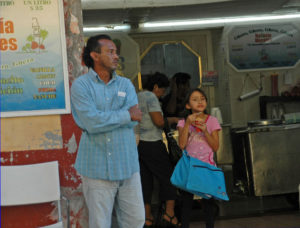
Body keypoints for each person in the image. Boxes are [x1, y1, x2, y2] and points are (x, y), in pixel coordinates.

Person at [71, 34, 145, 228]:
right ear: (95, 55)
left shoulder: (126, 85)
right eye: (110, 52)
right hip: (96, 168)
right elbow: (91, 123)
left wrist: (117, 117)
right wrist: (125, 115)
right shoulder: (81, 86)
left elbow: (134, 119)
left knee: (135, 220)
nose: (115, 56)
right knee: (100, 224)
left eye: (116, 53)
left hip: (128, 166)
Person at [136, 72, 180, 228]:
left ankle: (147, 218)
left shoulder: (138, 96)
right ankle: (169, 214)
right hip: (153, 144)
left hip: (139, 145)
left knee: (145, 180)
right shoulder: (151, 97)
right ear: (156, 87)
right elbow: (159, 121)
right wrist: (172, 120)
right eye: (162, 90)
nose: (162, 94)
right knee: (169, 177)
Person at [177, 88, 221, 228]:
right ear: (188, 105)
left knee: (208, 203)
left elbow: (215, 147)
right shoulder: (183, 122)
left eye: (202, 98)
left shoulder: (212, 121)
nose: (200, 102)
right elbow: (182, 145)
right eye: (195, 99)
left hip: (207, 166)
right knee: (186, 202)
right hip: (190, 167)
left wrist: (205, 131)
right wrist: (188, 124)